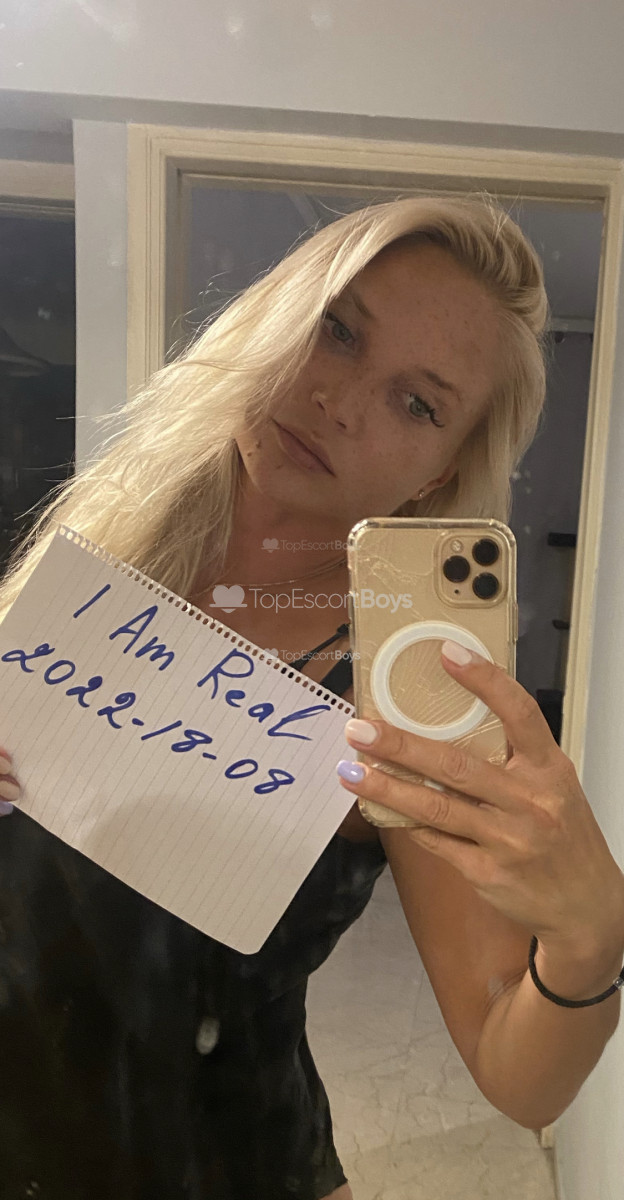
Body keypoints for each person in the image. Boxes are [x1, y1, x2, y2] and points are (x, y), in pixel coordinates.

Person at [0, 194, 623, 1200]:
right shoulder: (95, 550)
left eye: (417, 404)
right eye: (338, 331)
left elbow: (519, 1077)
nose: (339, 399)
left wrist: (590, 939)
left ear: (441, 474)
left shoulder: (403, 696)